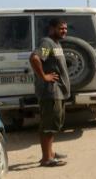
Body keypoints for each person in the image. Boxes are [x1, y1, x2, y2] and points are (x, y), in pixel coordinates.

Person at [29, 18, 71, 167]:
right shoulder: (47, 43)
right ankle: (47, 158)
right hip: (51, 92)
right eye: (61, 28)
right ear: (52, 28)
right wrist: (44, 76)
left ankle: (50, 153)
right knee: (49, 125)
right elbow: (35, 58)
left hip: (58, 91)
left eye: (65, 28)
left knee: (54, 123)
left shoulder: (55, 43)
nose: (64, 31)